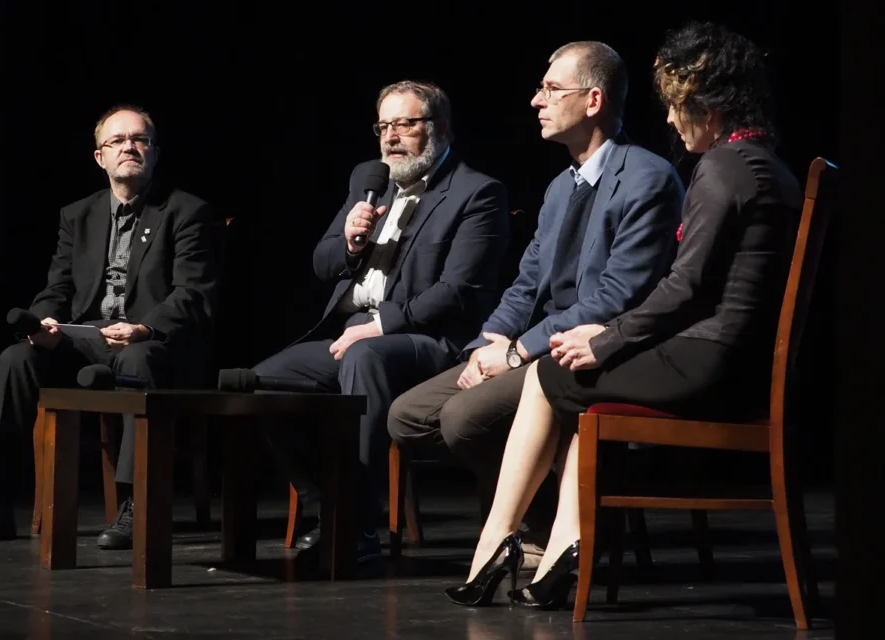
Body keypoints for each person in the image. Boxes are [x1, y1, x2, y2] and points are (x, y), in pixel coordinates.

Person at [445, 21, 803, 608]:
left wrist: (607, 340)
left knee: (551, 373)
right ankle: (562, 552)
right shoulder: (764, 162)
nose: (666, 119)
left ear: (706, 101)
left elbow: (685, 289)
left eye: (675, 105)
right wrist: (605, 338)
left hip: (710, 360)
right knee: (575, 384)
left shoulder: (725, 167)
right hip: (732, 357)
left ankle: (501, 542)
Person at [387, 41, 684, 560]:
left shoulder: (647, 178)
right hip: (537, 344)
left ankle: (547, 531)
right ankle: (547, 516)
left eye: (551, 89)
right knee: (409, 414)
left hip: (589, 351)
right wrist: (486, 345)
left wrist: (516, 352)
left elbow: (618, 297)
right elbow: (526, 285)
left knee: (463, 419)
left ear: (593, 101)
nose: (535, 100)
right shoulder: (559, 188)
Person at [250, 80, 511, 562]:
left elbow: (459, 292)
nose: (391, 137)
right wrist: (350, 241)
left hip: (431, 342)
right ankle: (324, 504)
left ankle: (357, 528)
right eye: (384, 126)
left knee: (367, 356)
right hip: (355, 335)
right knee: (259, 382)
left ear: (440, 128)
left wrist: (382, 325)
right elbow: (322, 263)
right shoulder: (369, 184)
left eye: (406, 124)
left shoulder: (477, 193)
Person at [0, 105, 219, 550]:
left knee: (137, 357)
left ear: (154, 152)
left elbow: (192, 294)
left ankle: (137, 504)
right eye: (118, 141)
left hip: (152, 344)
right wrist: (45, 322)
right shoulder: (78, 215)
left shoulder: (186, 211)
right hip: (88, 338)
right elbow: (58, 286)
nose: (129, 147)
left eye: (140, 139)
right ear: (101, 157)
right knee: (16, 359)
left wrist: (144, 328)